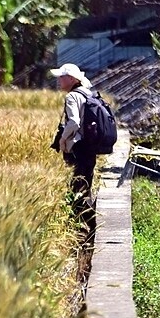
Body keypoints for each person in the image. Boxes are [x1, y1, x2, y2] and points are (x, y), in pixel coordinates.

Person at [50, 62, 97, 216]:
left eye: (62, 77)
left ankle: (82, 221)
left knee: (77, 186)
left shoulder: (72, 96)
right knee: (85, 185)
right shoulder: (88, 93)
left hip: (79, 147)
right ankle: (86, 224)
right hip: (91, 145)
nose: (59, 80)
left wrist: (63, 139)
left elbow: (74, 122)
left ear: (71, 79)